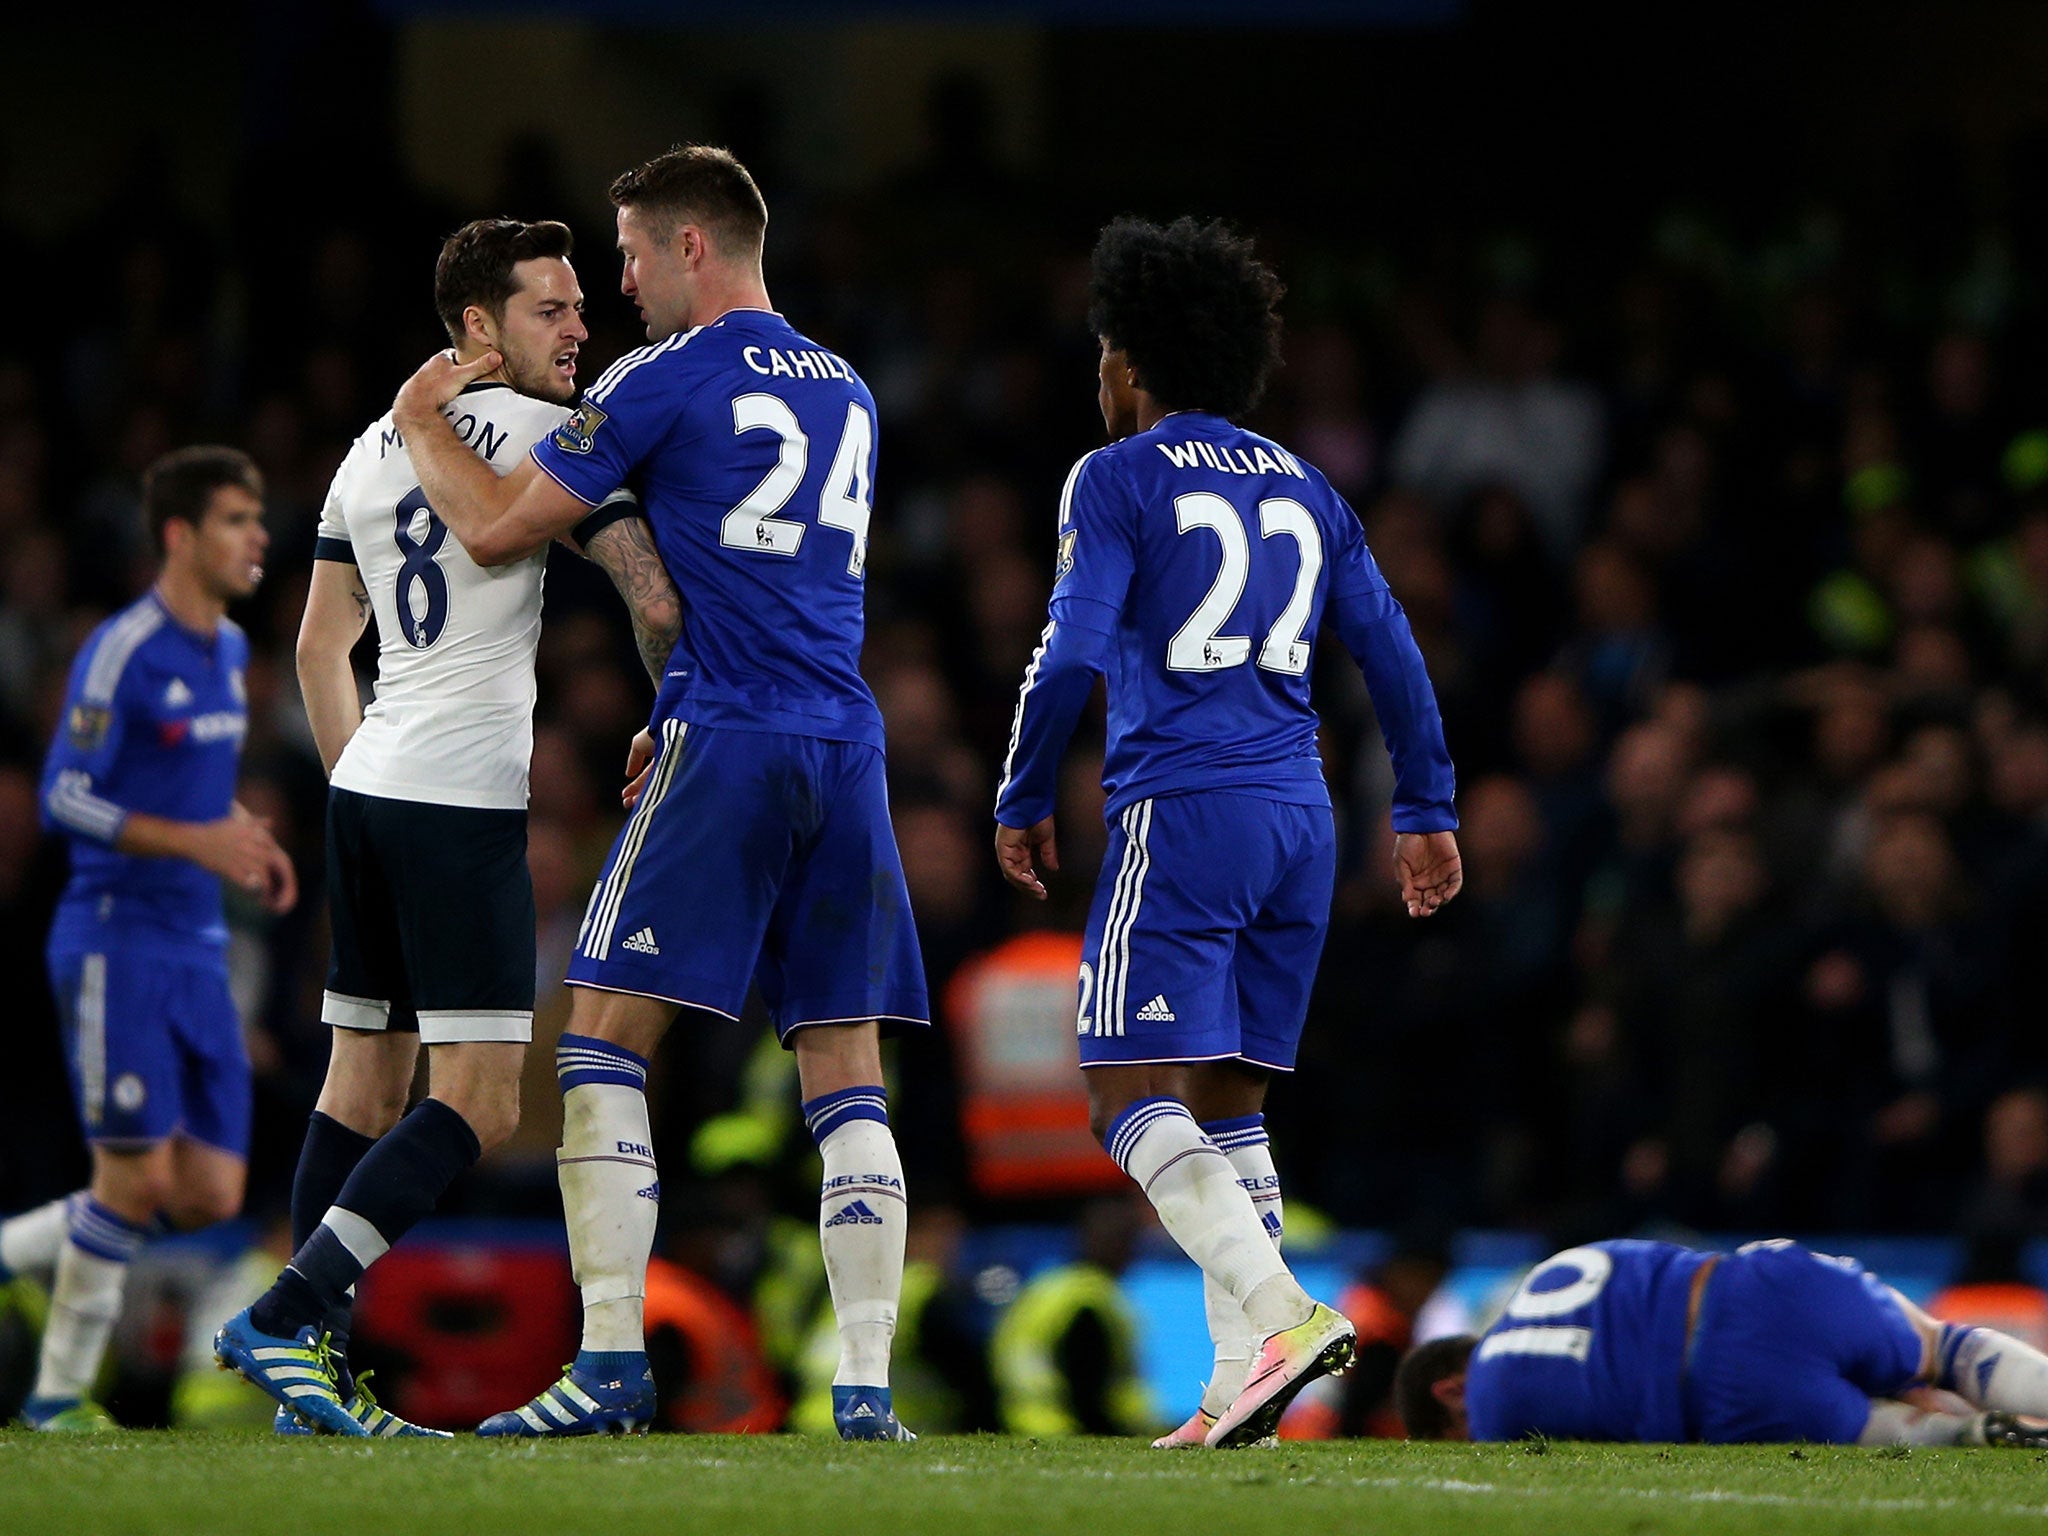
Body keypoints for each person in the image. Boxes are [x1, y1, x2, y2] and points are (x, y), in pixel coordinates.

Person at [371, 144, 928, 1441]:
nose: (616, 286)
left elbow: (501, 526)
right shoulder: (848, 388)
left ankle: (610, 1364)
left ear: (692, 244)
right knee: (846, 1071)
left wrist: (416, 430)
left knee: (603, 1041)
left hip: (731, 735)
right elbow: (733, 587)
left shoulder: (660, 379)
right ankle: (865, 1393)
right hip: (843, 747)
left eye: (627, 255)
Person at [992, 216, 1462, 1450]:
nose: (1097, 377)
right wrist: (1422, 808)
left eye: (1102, 354)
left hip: (1184, 809)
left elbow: (1070, 647)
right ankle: (1229, 1385)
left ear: (1133, 364)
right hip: (1299, 817)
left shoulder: (1115, 477)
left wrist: (1022, 790)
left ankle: (1278, 1311)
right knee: (1227, 1100)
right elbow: (1393, 653)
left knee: (1120, 1092)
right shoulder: (1309, 485)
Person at [213, 218, 680, 1438]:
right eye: (549, 310)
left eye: (582, 307)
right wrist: (675, 706)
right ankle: (281, 1317)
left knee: (362, 1083)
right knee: (478, 1102)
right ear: (476, 326)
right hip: (459, 799)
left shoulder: (370, 448)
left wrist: (356, 778)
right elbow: (651, 596)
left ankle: (308, 1377)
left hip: (366, 788)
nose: (579, 328)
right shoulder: (543, 443)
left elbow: (320, 645)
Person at [6, 446, 296, 1430]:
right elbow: (65, 797)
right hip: (115, 940)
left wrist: (244, 843)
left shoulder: (224, 652)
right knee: (129, 1181)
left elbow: (195, 800)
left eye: (257, 520)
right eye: (234, 521)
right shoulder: (123, 648)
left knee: (210, 1191)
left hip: (197, 945)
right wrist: (197, 839)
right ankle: (54, 1402)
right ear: (179, 535)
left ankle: (9, 1259)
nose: (257, 538)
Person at [1396, 1237, 2048, 1449]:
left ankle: (1966, 1434)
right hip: (1760, 1281)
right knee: (1950, 1349)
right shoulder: (1547, 1274)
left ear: (1451, 1390)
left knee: (1880, 1431)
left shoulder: (1497, 1403)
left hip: (1726, 1386)